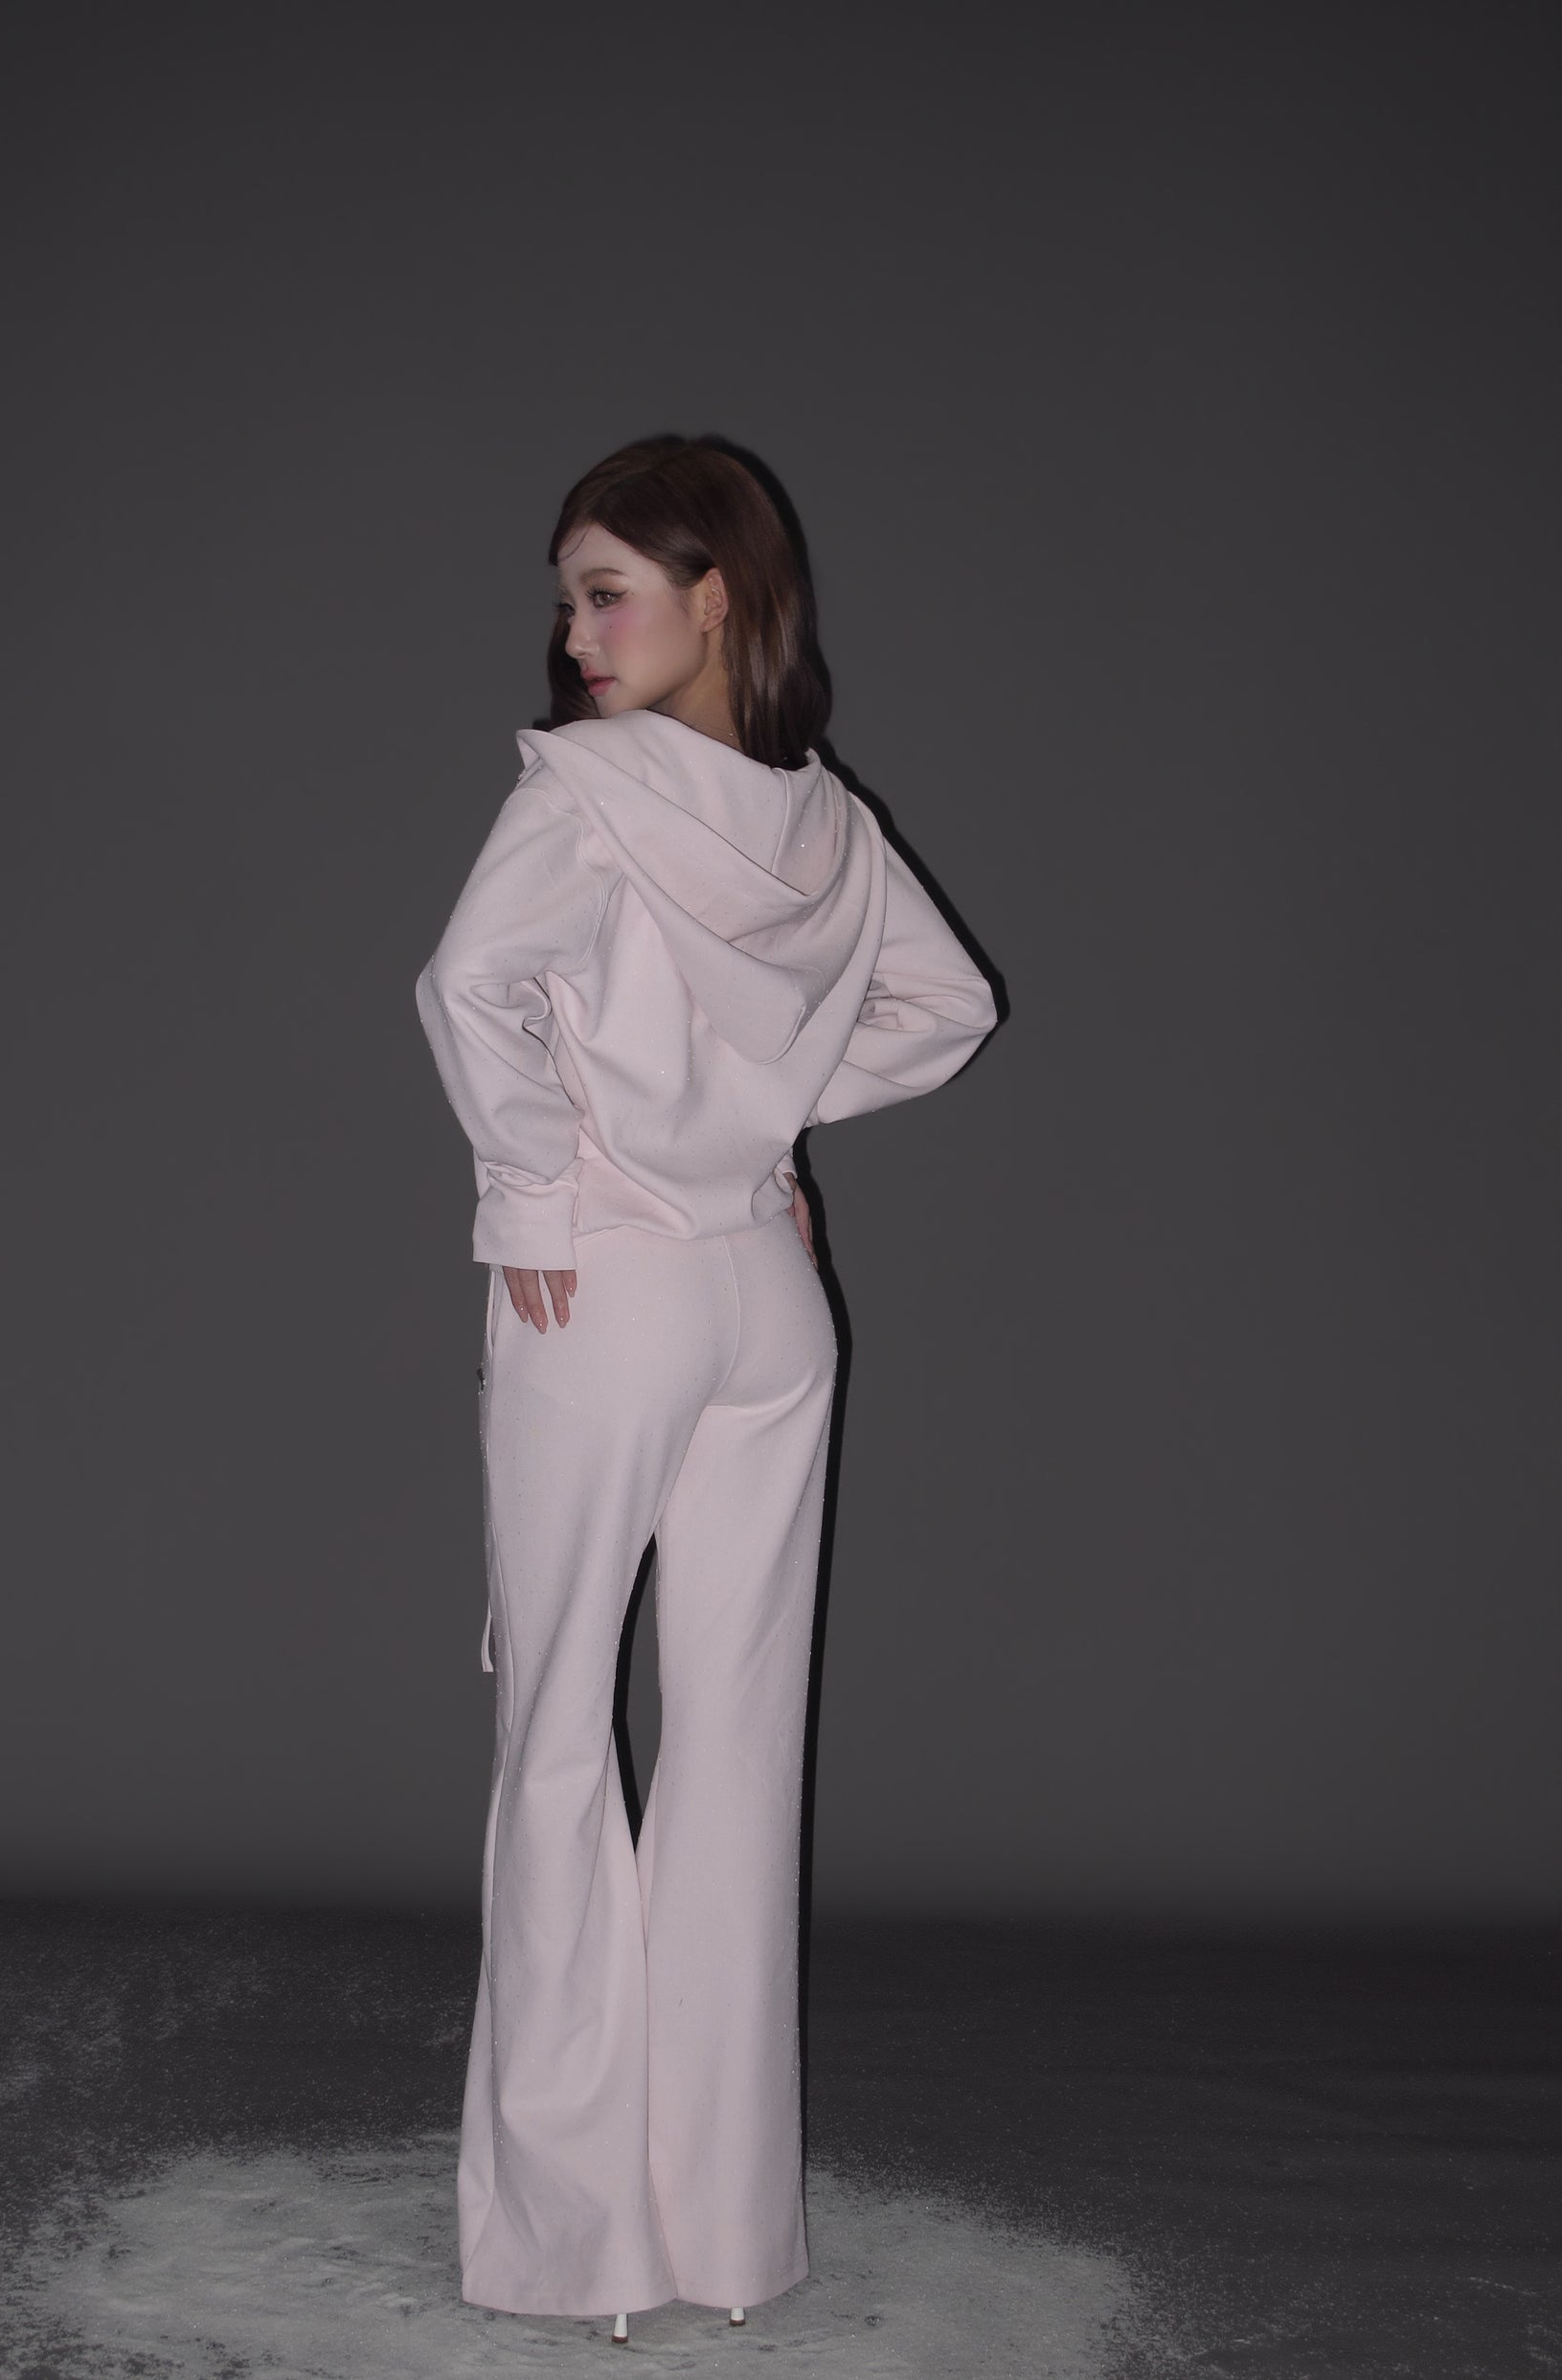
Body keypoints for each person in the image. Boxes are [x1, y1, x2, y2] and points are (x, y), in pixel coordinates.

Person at [414, 434, 999, 2338]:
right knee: (741, 1753)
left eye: (609, 591)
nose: (577, 633)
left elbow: (463, 986)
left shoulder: (582, 794)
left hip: (605, 1284)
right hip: (767, 1292)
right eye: (569, 598)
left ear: (715, 595)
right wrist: (767, 1124)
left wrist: (535, 1189)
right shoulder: (823, 824)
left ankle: (574, 2245)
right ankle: (727, 2238)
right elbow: (948, 1010)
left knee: (557, 1741)